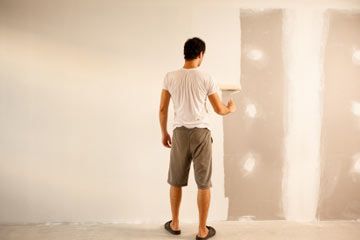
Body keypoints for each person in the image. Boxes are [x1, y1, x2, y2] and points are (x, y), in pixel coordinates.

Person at [159, 37, 236, 240]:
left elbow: (162, 109)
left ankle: (175, 224)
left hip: (179, 133)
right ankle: (202, 230)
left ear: (185, 53)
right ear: (200, 54)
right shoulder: (206, 77)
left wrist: (164, 133)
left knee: (175, 181)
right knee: (203, 183)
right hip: (201, 133)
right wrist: (230, 108)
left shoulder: (170, 77)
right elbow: (219, 110)